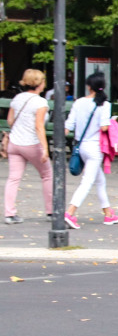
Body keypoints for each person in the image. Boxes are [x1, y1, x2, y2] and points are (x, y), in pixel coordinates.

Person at [65, 76, 118, 228]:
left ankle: (108, 214)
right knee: (87, 182)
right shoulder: (104, 104)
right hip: (95, 148)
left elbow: (68, 125)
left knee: (100, 181)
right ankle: (70, 212)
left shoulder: (79, 102)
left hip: (80, 146)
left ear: (89, 86)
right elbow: (104, 127)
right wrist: (112, 122)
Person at [4, 69, 54, 224]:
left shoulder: (17, 98)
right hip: (31, 143)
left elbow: (10, 120)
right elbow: (39, 127)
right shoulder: (40, 102)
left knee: (13, 178)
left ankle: (9, 213)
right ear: (39, 84)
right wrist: (45, 148)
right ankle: (51, 211)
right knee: (47, 175)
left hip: (15, 143)